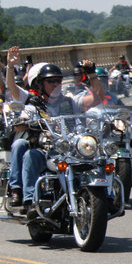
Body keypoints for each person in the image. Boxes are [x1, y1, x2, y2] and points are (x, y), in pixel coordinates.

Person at [4, 49, 104, 212]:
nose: (56, 84)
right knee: (29, 153)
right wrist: (23, 122)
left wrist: (92, 74)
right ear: (40, 84)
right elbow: (17, 101)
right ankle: (29, 200)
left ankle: (107, 194)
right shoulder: (33, 105)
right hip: (47, 151)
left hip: (72, 150)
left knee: (100, 155)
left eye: (59, 81)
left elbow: (97, 98)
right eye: (51, 81)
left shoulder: (70, 102)